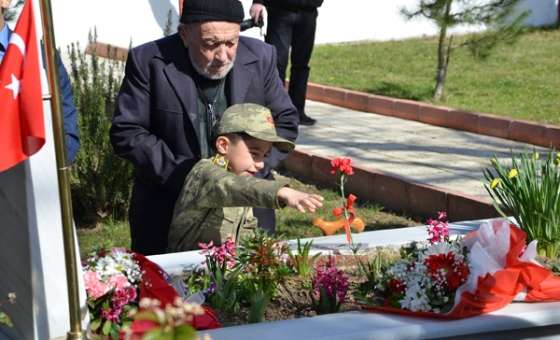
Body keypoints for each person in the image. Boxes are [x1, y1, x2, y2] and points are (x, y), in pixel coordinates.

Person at [110, 0, 298, 255]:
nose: (222, 56)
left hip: (248, 210)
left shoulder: (261, 57)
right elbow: (128, 131)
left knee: (248, 290)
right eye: (210, 44)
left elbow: (285, 120)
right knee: (168, 293)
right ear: (185, 34)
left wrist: (255, 163)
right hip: (167, 205)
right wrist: (192, 177)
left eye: (231, 43)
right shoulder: (149, 61)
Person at [168, 104, 322, 252]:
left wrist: (263, 249)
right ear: (223, 145)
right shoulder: (205, 173)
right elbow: (234, 186)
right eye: (254, 153)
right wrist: (282, 192)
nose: (261, 164)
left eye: (265, 155)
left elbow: (245, 233)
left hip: (222, 272)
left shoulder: (241, 176)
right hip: (185, 274)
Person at [1, 0, 79, 162]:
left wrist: (54, 162)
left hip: (35, 174)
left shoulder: (41, 57)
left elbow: (65, 121)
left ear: (5, 1)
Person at [250, 0, 323, 126]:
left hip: (308, 11)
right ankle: (276, 112)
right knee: (277, 64)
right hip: (280, 11)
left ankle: (298, 111)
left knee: (301, 64)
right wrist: (258, 2)